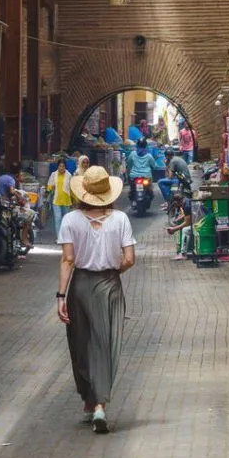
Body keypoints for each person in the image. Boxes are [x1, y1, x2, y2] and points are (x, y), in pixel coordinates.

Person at [57, 166, 136, 434]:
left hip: (79, 286)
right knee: (105, 343)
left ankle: (90, 402)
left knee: (80, 344)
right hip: (110, 285)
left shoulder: (70, 220)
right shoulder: (121, 219)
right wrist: (112, 272)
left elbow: (68, 259)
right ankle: (99, 404)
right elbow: (129, 259)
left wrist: (60, 296)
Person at [47, 159, 73, 239]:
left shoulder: (69, 175)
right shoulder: (53, 174)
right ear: (57, 167)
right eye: (60, 166)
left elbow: (72, 188)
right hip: (56, 200)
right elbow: (49, 186)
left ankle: (65, 236)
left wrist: (74, 200)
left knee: (66, 220)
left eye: (63, 166)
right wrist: (51, 187)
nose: (61, 168)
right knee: (58, 219)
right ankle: (59, 238)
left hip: (66, 200)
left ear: (65, 167)